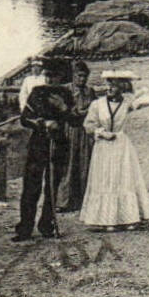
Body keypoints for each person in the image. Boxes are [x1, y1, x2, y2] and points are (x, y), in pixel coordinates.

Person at [79, 70, 149, 229]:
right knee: (106, 179)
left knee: (123, 178)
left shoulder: (126, 104)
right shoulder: (97, 104)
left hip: (121, 145)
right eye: (108, 84)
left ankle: (127, 219)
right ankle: (105, 220)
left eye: (114, 85)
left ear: (122, 87)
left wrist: (137, 91)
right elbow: (88, 125)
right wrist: (101, 133)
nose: (110, 88)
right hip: (103, 146)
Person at [15, 58, 78, 241]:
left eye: (54, 76)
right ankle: (24, 228)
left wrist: (63, 108)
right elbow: (24, 118)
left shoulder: (66, 94)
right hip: (38, 144)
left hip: (58, 144)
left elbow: (75, 121)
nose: (50, 80)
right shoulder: (37, 92)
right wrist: (41, 123)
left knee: (52, 186)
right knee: (31, 186)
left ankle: (47, 225)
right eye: (47, 76)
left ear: (60, 77)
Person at [57, 60, 96, 212]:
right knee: (69, 164)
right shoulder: (65, 90)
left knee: (85, 164)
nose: (82, 79)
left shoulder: (89, 91)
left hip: (85, 131)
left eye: (85, 76)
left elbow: (95, 109)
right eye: (79, 76)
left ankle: (83, 201)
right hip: (70, 129)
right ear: (73, 75)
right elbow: (62, 110)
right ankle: (64, 201)